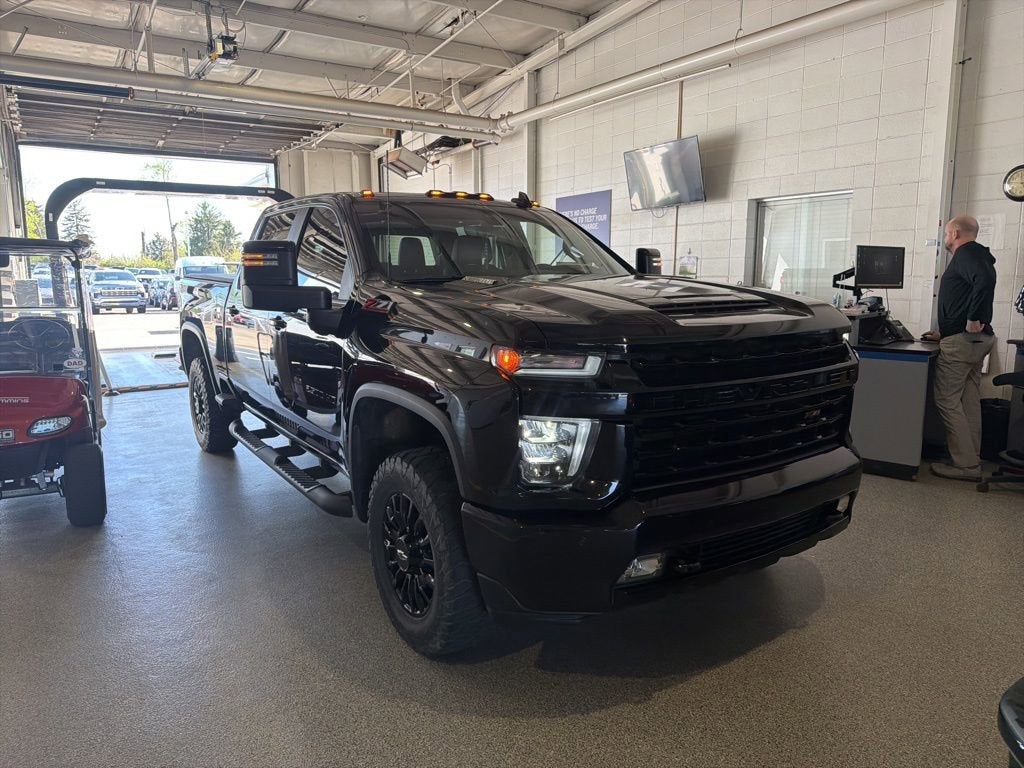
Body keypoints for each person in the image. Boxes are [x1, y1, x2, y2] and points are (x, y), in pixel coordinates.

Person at [922, 216, 997, 480]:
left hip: (963, 343)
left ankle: (965, 466)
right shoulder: (977, 255)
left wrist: (973, 318)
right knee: (968, 399)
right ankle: (971, 459)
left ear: (954, 232)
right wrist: (946, 330)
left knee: (947, 399)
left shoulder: (966, 254)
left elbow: (985, 280)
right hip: (973, 340)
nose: (945, 238)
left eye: (945, 233)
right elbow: (970, 291)